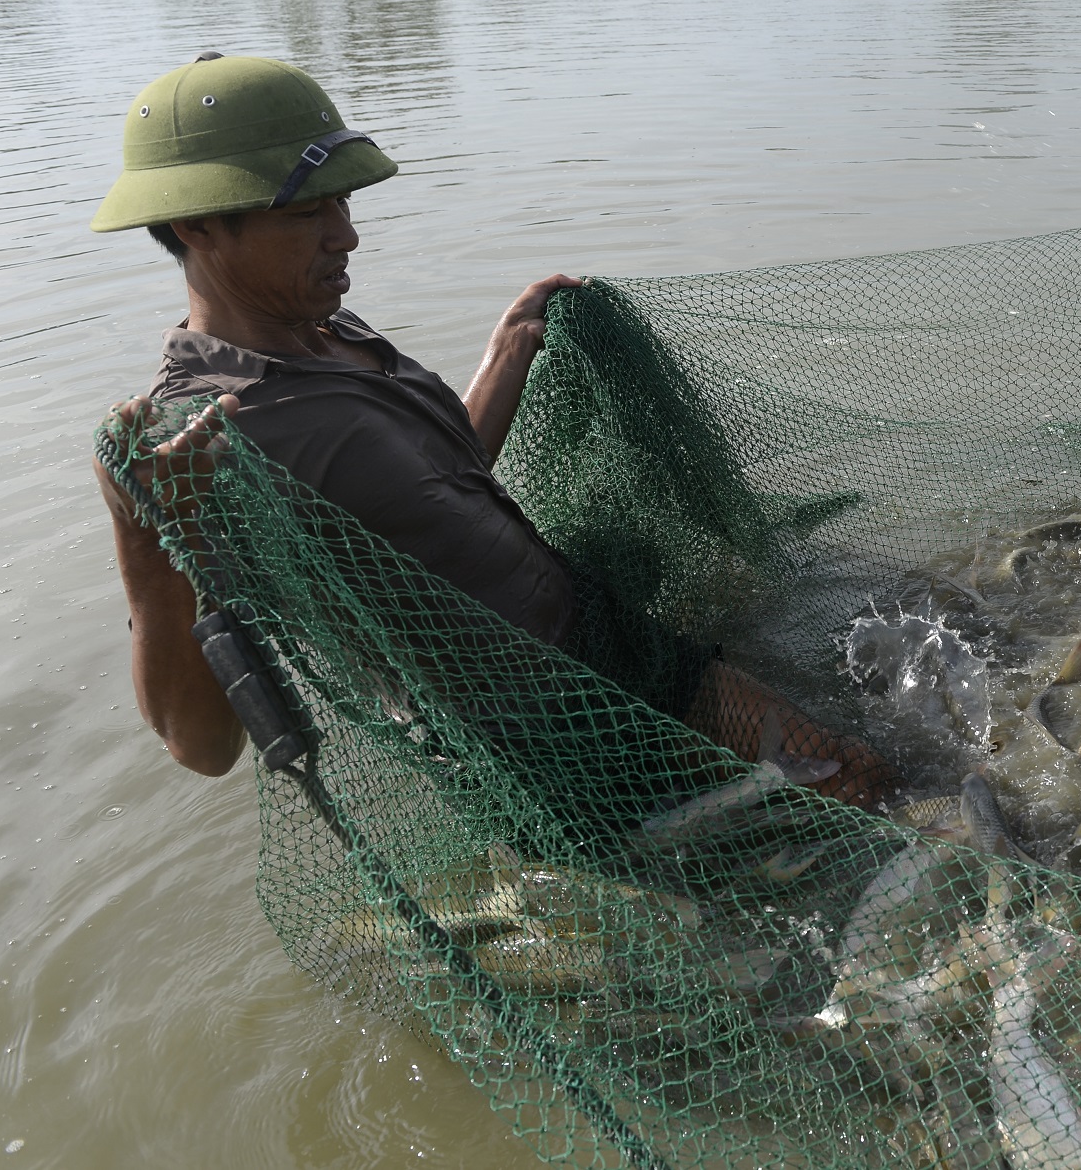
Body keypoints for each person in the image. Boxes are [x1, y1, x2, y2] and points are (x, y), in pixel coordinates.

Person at [90, 53, 898, 809]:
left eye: (344, 202)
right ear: (197, 226)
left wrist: (507, 350)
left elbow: (430, 496)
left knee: (863, 745)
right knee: (859, 780)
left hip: (606, 648)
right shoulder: (209, 435)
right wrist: (143, 535)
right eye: (307, 213)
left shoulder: (331, 330)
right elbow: (196, 743)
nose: (346, 235)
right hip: (541, 729)